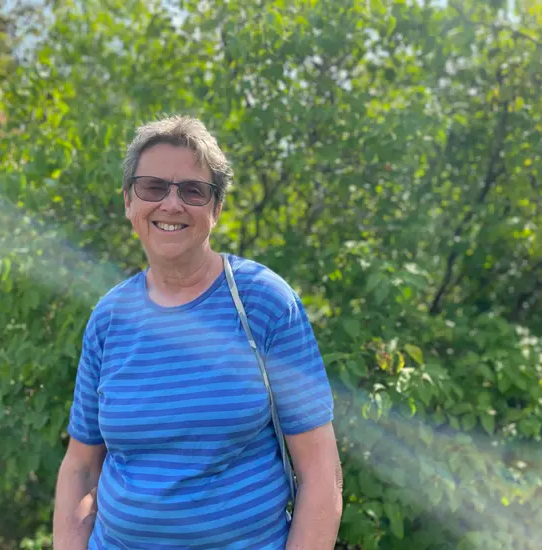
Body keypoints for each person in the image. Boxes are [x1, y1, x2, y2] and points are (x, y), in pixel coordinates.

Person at [53, 116, 343, 549]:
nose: (171, 204)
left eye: (192, 191)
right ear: (129, 201)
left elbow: (321, 474)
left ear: (216, 209)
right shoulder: (109, 318)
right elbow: (80, 468)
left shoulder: (264, 303)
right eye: (152, 187)